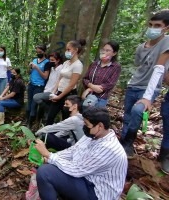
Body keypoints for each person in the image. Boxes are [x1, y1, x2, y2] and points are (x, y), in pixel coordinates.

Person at [34, 107, 128, 200]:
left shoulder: (109, 148)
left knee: (44, 172)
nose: (84, 126)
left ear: (100, 126)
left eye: (87, 124)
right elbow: (72, 151)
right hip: (86, 178)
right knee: (49, 167)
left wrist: (49, 155)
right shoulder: (93, 136)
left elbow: (77, 169)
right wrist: (51, 158)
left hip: (97, 192)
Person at [120, 10, 169, 162]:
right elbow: (138, 66)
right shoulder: (142, 47)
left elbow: (159, 68)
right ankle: (122, 147)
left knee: (137, 110)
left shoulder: (166, 42)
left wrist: (148, 97)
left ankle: (128, 142)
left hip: (149, 88)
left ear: (166, 27)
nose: (153, 28)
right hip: (134, 84)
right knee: (127, 115)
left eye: (157, 25)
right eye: (151, 24)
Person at [46, 39, 86, 125]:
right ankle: (45, 136)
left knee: (66, 118)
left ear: (75, 50)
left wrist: (59, 97)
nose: (66, 52)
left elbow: (71, 85)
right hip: (59, 92)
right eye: (66, 49)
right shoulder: (66, 63)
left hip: (69, 95)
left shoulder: (78, 65)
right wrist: (54, 92)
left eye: (68, 49)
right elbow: (59, 78)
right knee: (50, 116)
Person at [82, 41, 121, 108]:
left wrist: (99, 88)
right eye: (103, 50)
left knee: (95, 117)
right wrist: (91, 86)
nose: (104, 52)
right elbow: (85, 78)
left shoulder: (115, 67)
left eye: (107, 50)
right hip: (88, 95)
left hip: (101, 98)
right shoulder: (94, 64)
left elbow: (110, 83)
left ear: (114, 53)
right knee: (84, 115)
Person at [33, 52, 64, 123]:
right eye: (50, 60)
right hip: (47, 89)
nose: (51, 62)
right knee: (41, 109)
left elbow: (59, 81)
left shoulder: (61, 69)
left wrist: (54, 92)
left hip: (53, 91)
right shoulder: (52, 68)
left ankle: (49, 110)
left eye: (52, 60)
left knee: (36, 97)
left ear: (58, 60)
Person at [26, 45, 50, 127]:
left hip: (39, 86)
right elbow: (29, 72)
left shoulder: (47, 62)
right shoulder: (34, 60)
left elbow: (45, 76)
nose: (38, 53)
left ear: (44, 52)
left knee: (34, 105)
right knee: (29, 104)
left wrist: (37, 68)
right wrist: (29, 68)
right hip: (31, 84)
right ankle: (27, 120)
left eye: (40, 52)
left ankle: (30, 123)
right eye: (37, 52)